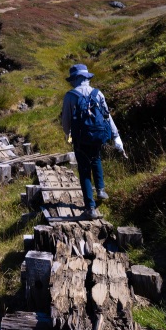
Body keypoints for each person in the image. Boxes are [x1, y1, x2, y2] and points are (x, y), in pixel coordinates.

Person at [60, 64, 125, 219]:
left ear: (75, 79)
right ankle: (101, 190)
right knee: (96, 159)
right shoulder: (98, 93)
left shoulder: (70, 96)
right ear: (87, 77)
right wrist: (116, 136)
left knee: (84, 170)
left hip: (80, 139)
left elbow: (65, 121)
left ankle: (90, 207)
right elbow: (107, 116)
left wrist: (68, 134)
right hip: (98, 136)